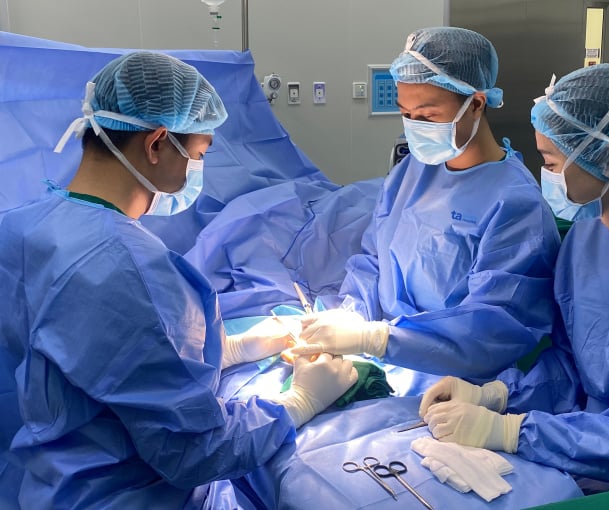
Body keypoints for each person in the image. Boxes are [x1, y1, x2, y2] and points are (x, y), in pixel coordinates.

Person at [0, 51, 357, 509]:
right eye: (200, 153)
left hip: (47, 486)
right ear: (156, 145)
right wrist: (300, 401)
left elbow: (90, 364)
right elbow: (195, 454)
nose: (198, 170)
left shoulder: (23, 228)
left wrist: (226, 349)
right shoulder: (130, 269)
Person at [416, 58, 609, 489]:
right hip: (574, 449)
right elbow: (570, 363)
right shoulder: (585, 239)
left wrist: (513, 432)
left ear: (607, 159)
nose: (545, 177)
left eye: (551, 163)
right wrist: (497, 396)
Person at [293, 27, 561, 378]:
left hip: (456, 377)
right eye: (406, 114)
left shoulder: (516, 206)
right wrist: (351, 315)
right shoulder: (410, 172)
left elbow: (491, 334)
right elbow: (375, 259)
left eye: (427, 116)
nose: (414, 127)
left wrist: (376, 339)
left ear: (476, 103)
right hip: (386, 355)